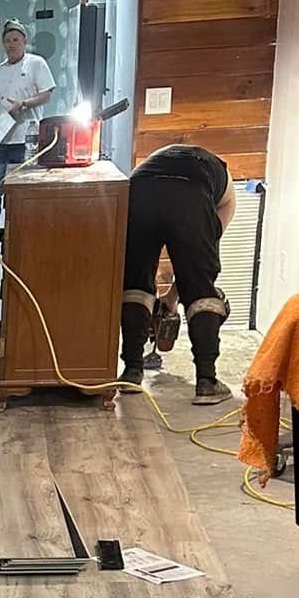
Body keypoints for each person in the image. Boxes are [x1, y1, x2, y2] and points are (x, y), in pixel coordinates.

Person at [120, 143, 238, 403]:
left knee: (135, 284)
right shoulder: (226, 193)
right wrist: (186, 288)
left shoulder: (157, 159)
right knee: (202, 291)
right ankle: (207, 382)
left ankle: (131, 372)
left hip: (139, 190)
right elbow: (197, 257)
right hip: (190, 194)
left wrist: (171, 298)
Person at [0, 20, 55, 257]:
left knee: (21, 192)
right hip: (1, 139)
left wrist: (24, 104)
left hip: (27, 139)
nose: (11, 45)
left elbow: (47, 95)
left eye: (15, 40)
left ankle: (22, 242)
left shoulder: (36, 64)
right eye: (7, 41)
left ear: (24, 41)